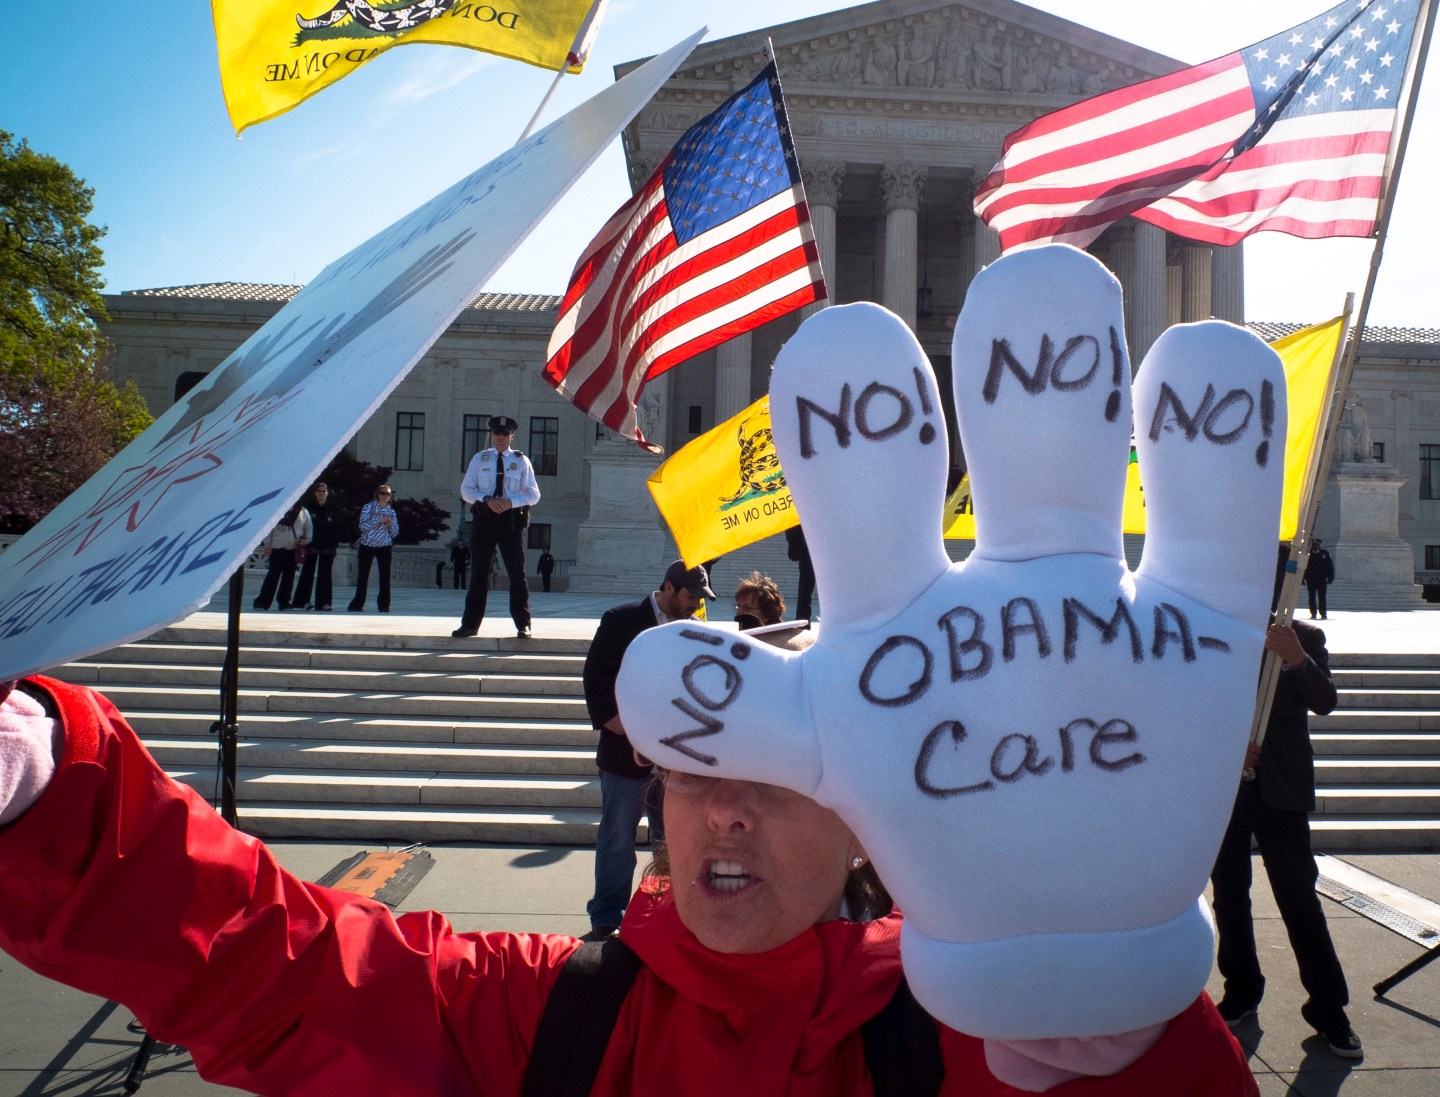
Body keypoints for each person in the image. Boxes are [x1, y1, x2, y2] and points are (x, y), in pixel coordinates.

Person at [0, 675, 1257, 1096]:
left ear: (863, 825)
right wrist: (56, 791)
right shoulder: (546, 1004)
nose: (727, 809)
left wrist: (1138, 1031)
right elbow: (283, 969)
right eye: (694, 772)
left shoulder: (994, 1041)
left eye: (780, 778)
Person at [1209, 615, 1360, 1058]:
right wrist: (1227, 745)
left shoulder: (1304, 636)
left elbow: (1325, 700)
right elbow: (1190, 708)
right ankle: (1241, 989)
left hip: (1282, 789)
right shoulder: (1220, 627)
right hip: (1226, 786)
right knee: (1230, 895)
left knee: (1299, 901)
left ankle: (1329, 1007)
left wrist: (1297, 658)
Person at [583, 560, 715, 941]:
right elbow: (596, 681)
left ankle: (665, 914)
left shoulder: (693, 630)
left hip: (673, 761)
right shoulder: (620, 620)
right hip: (624, 757)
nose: (696, 604)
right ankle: (607, 918)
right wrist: (632, 735)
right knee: (616, 839)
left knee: (671, 841)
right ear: (669, 588)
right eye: (692, 596)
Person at [453, 416, 540, 640]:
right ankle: (470, 624)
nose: (500, 438)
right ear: (492, 435)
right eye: (496, 434)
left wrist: (511, 502)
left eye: (504, 434)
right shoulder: (480, 459)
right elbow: (466, 490)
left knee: (517, 574)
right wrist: (486, 498)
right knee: (479, 573)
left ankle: (523, 624)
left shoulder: (521, 461)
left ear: (512, 436)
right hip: (484, 519)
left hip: (511, 521)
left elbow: (533, 494)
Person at [347, 484, 398, 613]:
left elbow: (395, 533)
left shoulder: (391, 512)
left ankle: (384, 605)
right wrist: (378, 520)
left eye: (387, 494)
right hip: (367, 545)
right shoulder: (368, 507)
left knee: (385, 578)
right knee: (363, 576)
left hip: (384, 546)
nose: (385, 496)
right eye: (382, 493)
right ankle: (357, 604)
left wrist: (391, 524)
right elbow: (363, 526)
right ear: (377, 494)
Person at [252, 501, 311, 611]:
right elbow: (267, 527)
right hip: (277, 547)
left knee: (289, 577)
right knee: (272, 575)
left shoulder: (302, 511)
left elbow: (308, 528)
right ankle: (263, 601)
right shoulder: (277, 506)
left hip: (293, 548)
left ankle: (284, 601)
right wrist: (267, 544)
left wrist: (307, 540)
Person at [293, 482, 340, 611]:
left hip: (327, 545)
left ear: (327, 493)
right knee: (307, 573)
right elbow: (303, 526)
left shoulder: (332, 507)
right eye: (319, 491)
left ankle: (324, 602)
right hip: (311, 545)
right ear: (315, 493)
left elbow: (337, 527)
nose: (321, 493)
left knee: (325, 574)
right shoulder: (308, 508)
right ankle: (302, 601)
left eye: (324, 491)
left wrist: (333, 544)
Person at [785, 524, 816, 622]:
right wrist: (793, 543)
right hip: (807, 544)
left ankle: (802, 619)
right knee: (806, 585)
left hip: (810, 542)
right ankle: (802, 619)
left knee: (806, 586)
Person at [1303, 539, 1335, 620]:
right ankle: (1313, 613)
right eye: (1313, 545)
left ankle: (1323, 614)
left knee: (1322, 597)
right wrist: (1302, 579)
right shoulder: (1307, 554)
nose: (1315, 546)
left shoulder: (1325, 554)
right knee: (1311, 597)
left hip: (1322, 579)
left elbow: (1330, 566)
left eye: (1317, 544)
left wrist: (1331, 578)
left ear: (1320, 545)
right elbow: (1303, 567)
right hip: (1311, 579)